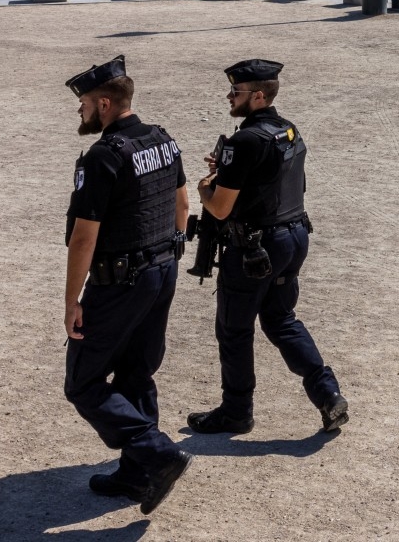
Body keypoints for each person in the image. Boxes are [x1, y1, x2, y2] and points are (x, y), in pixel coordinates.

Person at [188, 58, 349, 436]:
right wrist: (230, 171)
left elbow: (221, 207)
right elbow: (275, 179)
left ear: (257, 96)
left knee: (234, 329)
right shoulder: (287, 130)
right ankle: (328, 395)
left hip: (254, 249)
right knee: (281, 320)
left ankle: (236, 412)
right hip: (294, 238)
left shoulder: (244, 140)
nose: (229, 96)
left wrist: (205, 188)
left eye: (236, 92)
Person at [61, 54, 192, 512]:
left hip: (120, 281)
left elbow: (84, 237)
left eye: (82, 104)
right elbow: (182, 205)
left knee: (83, 381)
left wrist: (72, 300)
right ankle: (137, 475)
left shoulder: (103, 156)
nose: (79, 111)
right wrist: (167, 255)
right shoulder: (162, 139)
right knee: (137, 371)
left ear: (103, 103)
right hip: (162, 269)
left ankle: (157, 454)